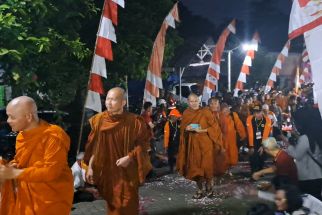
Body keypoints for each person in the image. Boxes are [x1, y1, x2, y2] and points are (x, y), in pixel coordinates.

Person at [0, 96, 73, 215]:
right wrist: (9, 166)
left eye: (12, 117)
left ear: (28, 117)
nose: (8, 121)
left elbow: (52, 171)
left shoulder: (53, 136)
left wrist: (15, 173)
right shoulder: (21, 136)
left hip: (50, 198)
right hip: (27, 197)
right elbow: (22, 162)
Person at [84, 87, 152, 215]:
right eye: (107, 99)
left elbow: (143, 145)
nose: (109, 103)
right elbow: (95, 147)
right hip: (108, 172)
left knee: (128, 204)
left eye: (114, 99)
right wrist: (91, 167)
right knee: (113, 205)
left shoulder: (135, 121)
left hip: (128, 172)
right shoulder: (98, 120)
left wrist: (130, 157)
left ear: (123, 103)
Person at [176, 93, 222, 199]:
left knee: (207, 167)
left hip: (206, 144)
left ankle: (210, 189)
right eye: (191, 101)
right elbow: (183, 129)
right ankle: (200, 189)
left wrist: (203, 130)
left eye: (196, 101)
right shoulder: (186, 113)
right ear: (188, 102)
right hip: (193, 145)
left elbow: (215, 127)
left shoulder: (205, 111)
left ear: (199, 101)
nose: (194, 103)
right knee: (195, 168)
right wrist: (186, 129)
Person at [285, 107, 322, 200]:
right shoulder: (316, 134)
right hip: (318, 175)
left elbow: (297, 154)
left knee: (309, 203)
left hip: (308, 177)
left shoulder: (305, 138)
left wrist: (288, 145)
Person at [220, 103, 247, 173]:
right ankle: (223, 168)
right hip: (222, 139)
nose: (226, 112)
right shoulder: (218, 116)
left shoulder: (233, 115)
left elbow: (239, 125)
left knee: (232, 153)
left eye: (227, 110)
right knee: (224, 154)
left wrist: (242, 135)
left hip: (232, 138)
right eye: (224, 110)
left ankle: (229, 167)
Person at [246, 105, 271, 173]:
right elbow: (250, 133)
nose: (256, 114)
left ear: (262, 112)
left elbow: (266, 134)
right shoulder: (249, 119)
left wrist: (263, 146)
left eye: (258, 112)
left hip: (263, 141)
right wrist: (251, 146)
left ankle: (260, 171)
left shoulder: (267, 120)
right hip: (253, 141)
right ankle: (253, 173)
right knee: (253, 158)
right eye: (255, 112)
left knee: (262, 158)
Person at [163, 108, 181, 173]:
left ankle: (179, 168)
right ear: (172, 116)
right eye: (176, 116)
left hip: (178, 143)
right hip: (171, 144)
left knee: (179, 156)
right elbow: (166, 137)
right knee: (171, 157)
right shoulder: (167, 124)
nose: (177, 117)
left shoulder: (178, 123)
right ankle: (171, 169)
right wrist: (165, 147)